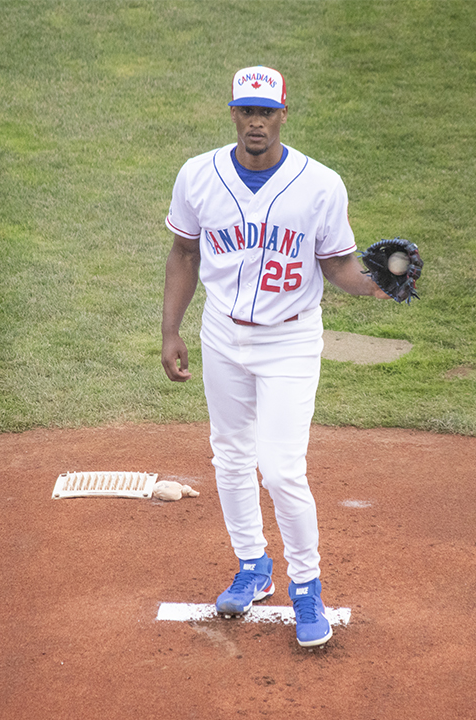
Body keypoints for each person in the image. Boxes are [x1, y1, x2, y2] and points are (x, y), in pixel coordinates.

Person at [161, 65, 389, 648]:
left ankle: (306, 586)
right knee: (231, 455)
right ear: (232, 113)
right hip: (220, 333)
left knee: (282, 468)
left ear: (284, 114)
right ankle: (253, 566)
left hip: (289, 340)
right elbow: (184, 253)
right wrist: (171, 330)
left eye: (266, 111)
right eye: (246, 110)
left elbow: (337, 264)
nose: (255, 121)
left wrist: (375, 283)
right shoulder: (197, 176)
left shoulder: (320, 185)